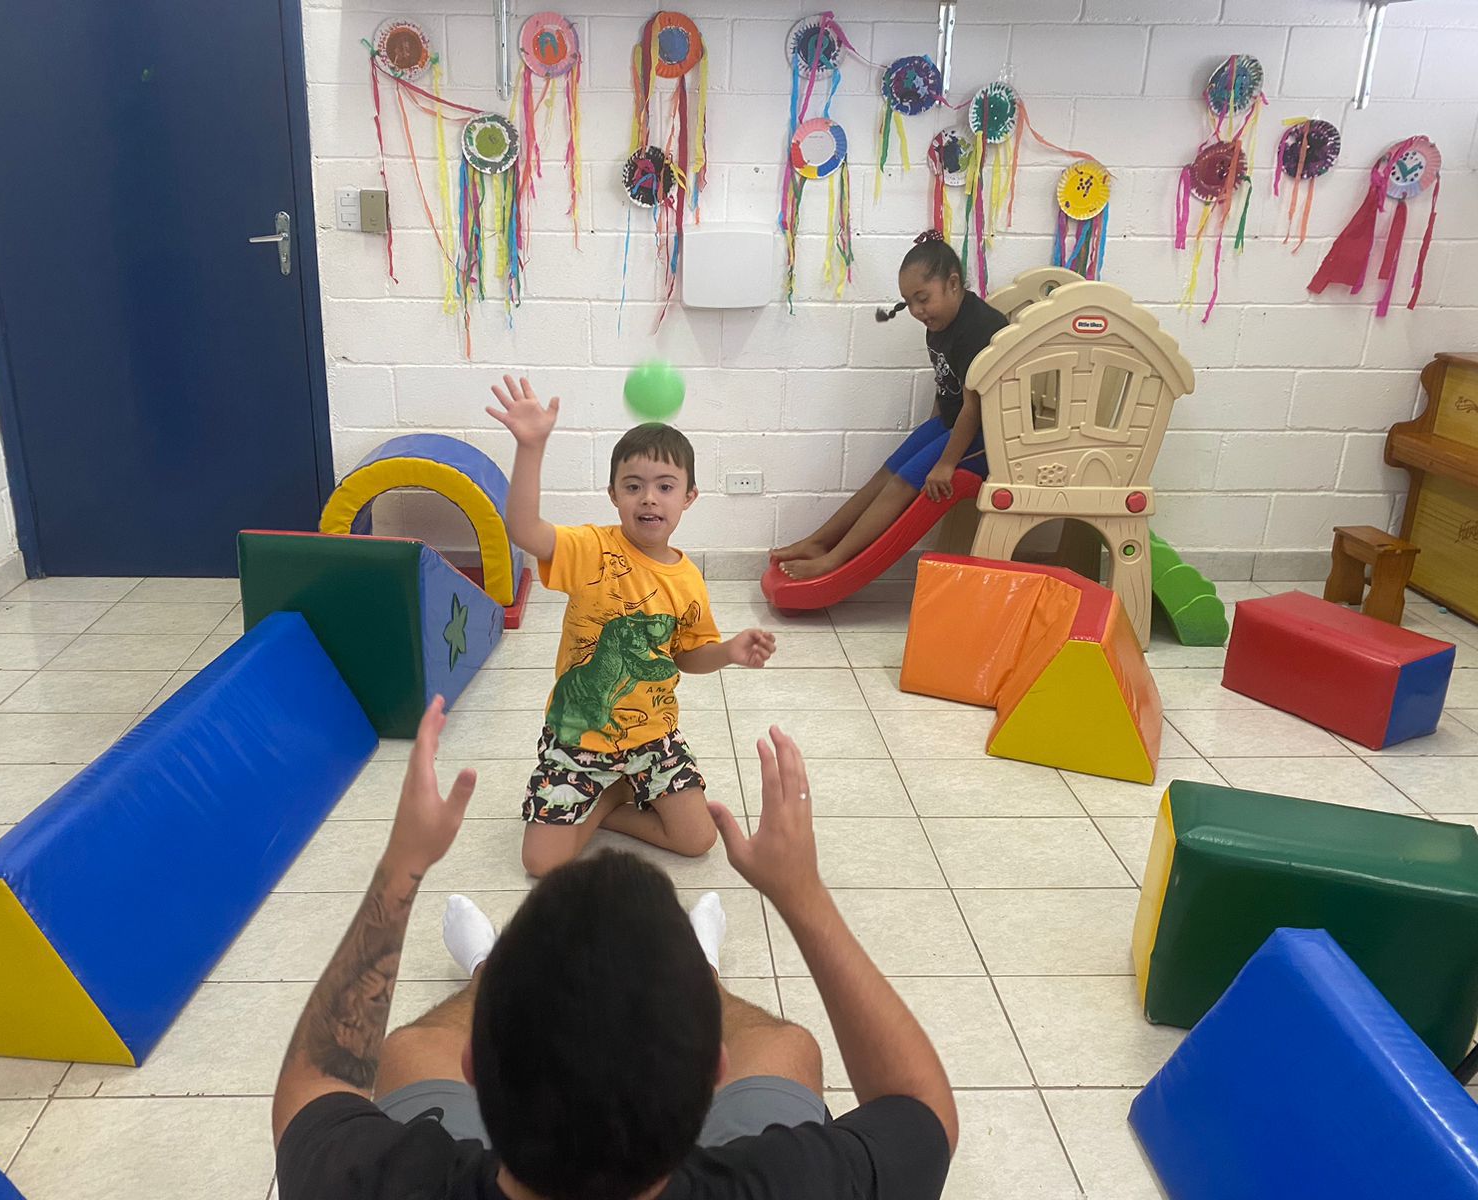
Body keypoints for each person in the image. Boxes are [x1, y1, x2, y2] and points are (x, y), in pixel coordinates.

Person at [272, 699, 959, 1200]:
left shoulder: (375, 1182)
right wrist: (801, 894)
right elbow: (919, 1105)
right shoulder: (798, 1184)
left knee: (409, 1050)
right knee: (788, 1046)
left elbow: (318, 1083)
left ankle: (487, 968)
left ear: (474, 1067)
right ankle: (702, 970)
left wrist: (403, 866)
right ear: (714, 1076)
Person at [485, 375, 777, 877]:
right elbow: (525, 530)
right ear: (613, 494)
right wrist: (530, 447)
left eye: (665, 486)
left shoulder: (688, 580)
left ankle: (611, 803)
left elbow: (686, 655)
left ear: (689, 496)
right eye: (633, 486)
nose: (649, 499)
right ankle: (604, 797)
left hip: (652, 738)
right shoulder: (591, 549)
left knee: (697, 839)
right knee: (541, 863)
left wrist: (729, 651)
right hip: (579, 735)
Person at [772, 230, 1009, 581]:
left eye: (922, 299)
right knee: (886, 474)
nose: (916, 311)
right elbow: (946, 385)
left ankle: (833, 560)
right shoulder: (940, 321)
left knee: (901, 484)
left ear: (953, 283)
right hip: (955, 422)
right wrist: (928, 435)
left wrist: (945, 464)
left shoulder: (978, 328)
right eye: (909, 302)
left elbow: (974, 407)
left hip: (987, 434)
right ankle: (817, 542)